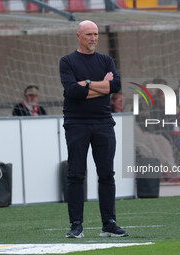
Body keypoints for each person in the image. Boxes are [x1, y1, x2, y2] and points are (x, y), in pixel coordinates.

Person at [59, 20, 127, 238]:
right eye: (89, 34)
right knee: (76, 174)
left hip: (103, 122)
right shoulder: (67, 61)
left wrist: (87, 83)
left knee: (106, 174)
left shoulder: (106, 60)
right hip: (76, 123)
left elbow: (115, 86)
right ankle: (76, 225)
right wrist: (101, 86)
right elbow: (72, 91)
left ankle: (109, 223)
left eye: (96, 34)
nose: (93, 38)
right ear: (78, 35)